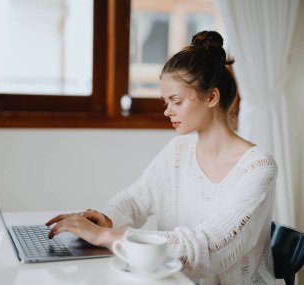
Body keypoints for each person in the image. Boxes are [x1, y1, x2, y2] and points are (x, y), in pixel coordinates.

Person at [45, 31, 277, 284]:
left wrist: (106, 236)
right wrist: (105, 218)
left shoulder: (258, 168)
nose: (167, 111)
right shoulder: (178, 151)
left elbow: (210, 247)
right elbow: (136, 199)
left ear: (211, 97)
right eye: (165, 102)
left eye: (176, 101)